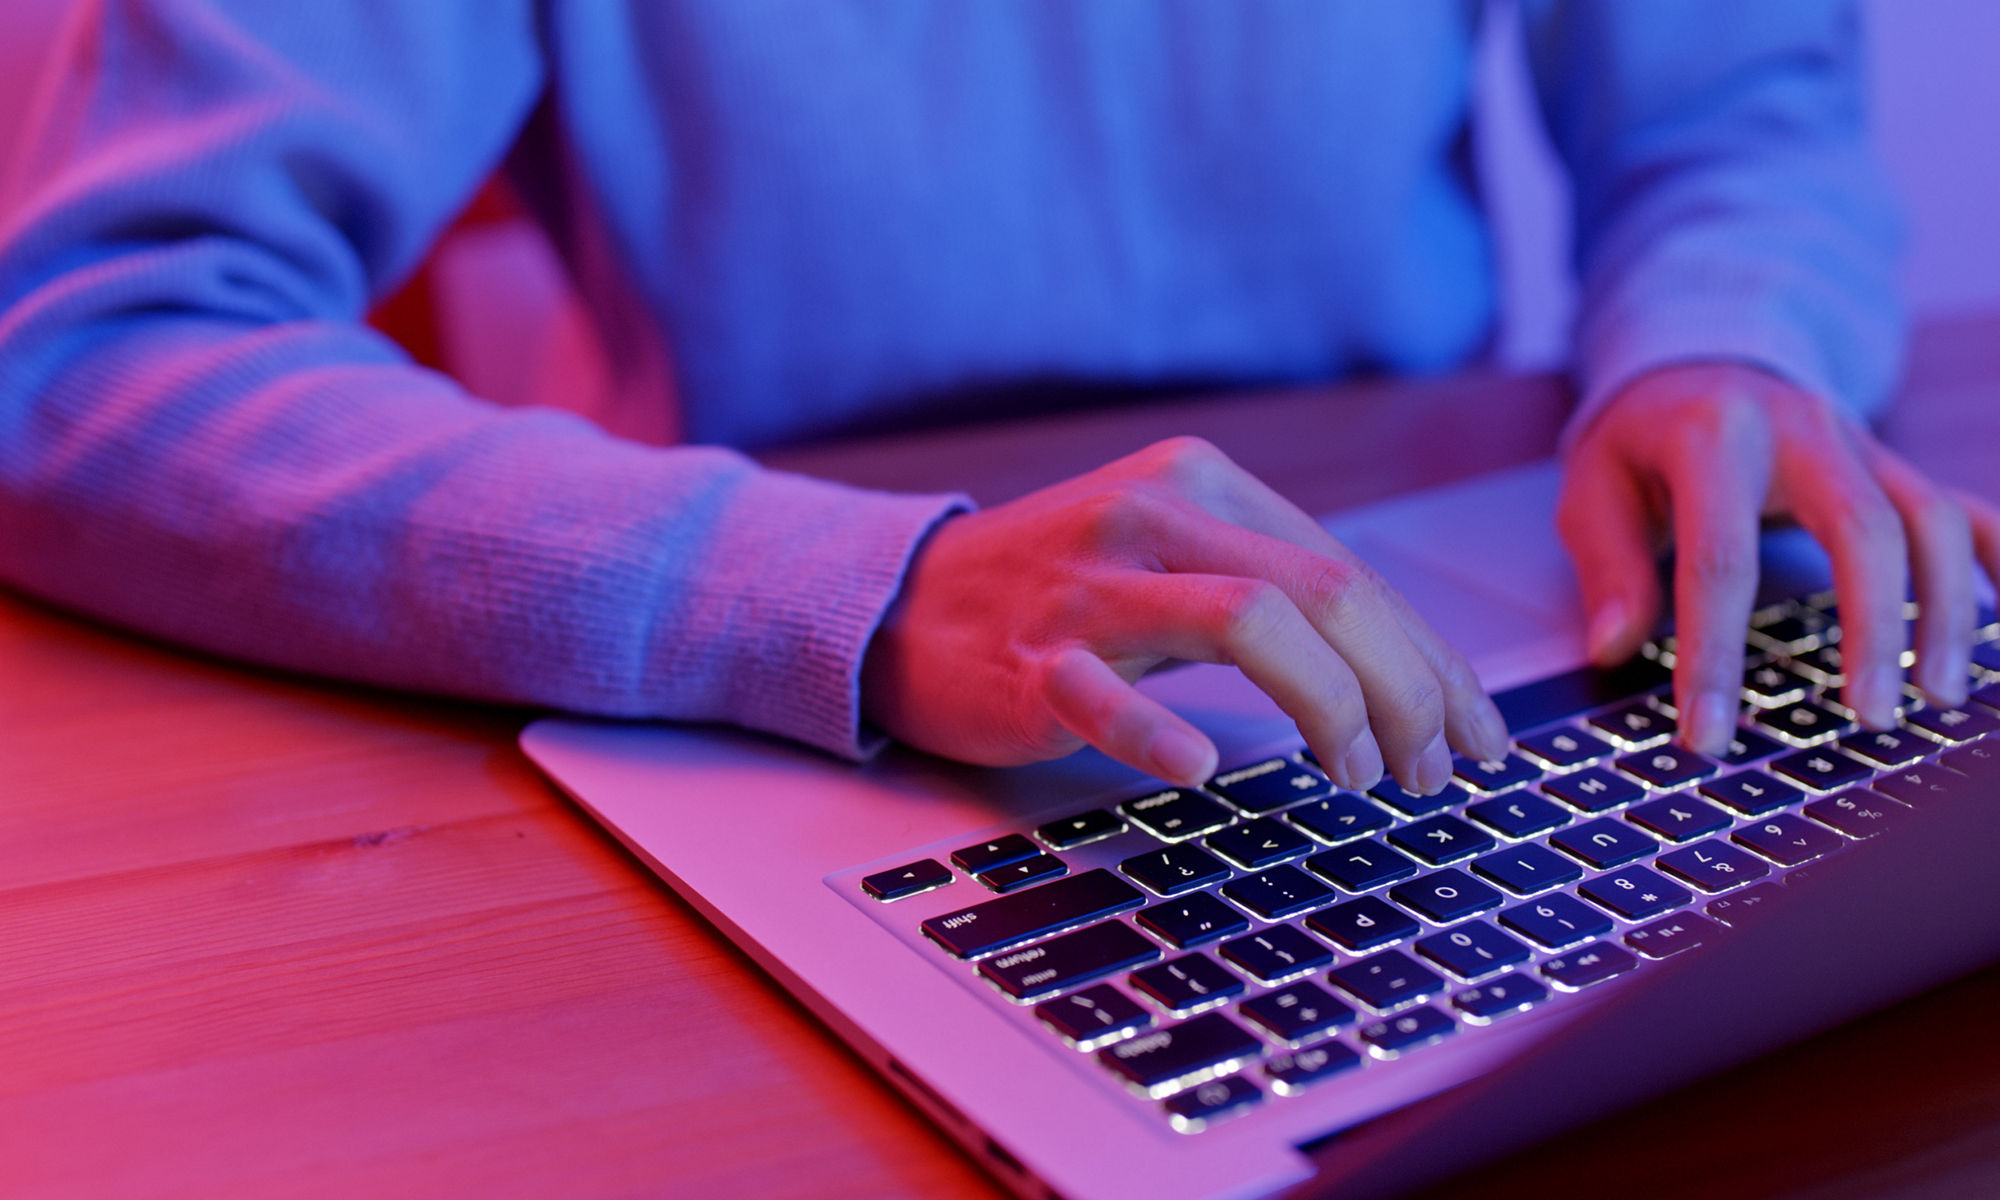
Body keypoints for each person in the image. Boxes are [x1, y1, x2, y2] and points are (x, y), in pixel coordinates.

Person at [0, 1, 1992, 799]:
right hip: (811, 669)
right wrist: (852, 592)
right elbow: (86, 343)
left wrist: (1730, 336)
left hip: (1468, 582)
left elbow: (1737, 123)